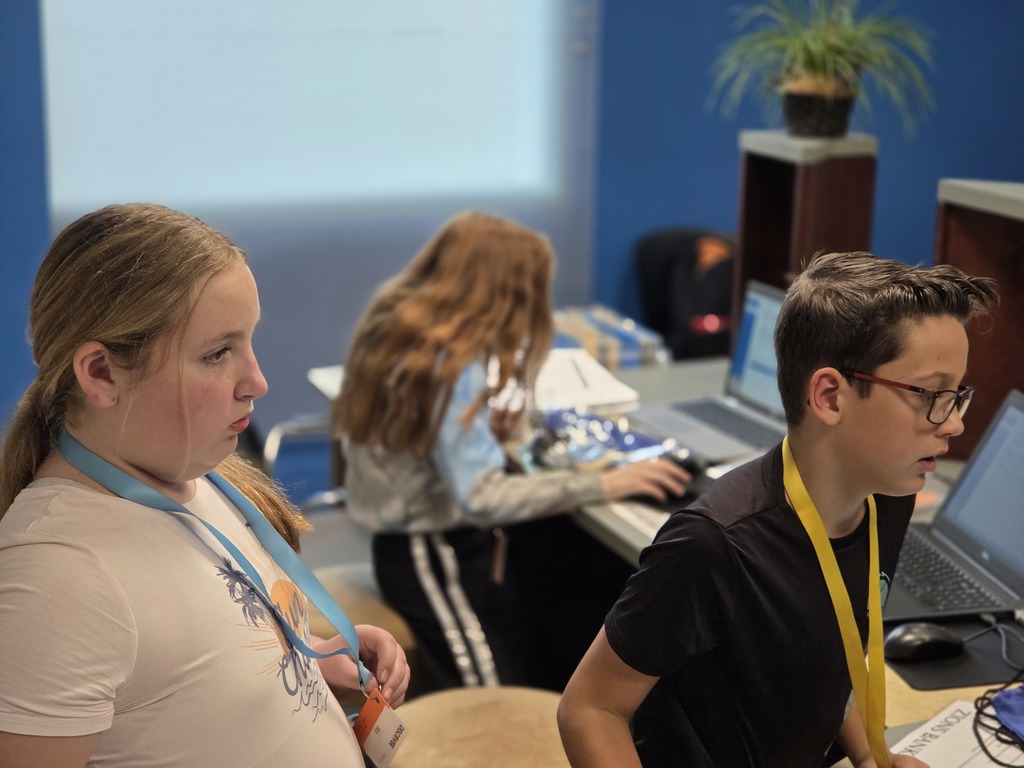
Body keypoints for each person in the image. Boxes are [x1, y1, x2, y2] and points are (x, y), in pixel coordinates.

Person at [0, 203, 410, 768]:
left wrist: (313, 657)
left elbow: (190, 666)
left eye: (247, 342)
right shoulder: (59, 578)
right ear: (100, 373)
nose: (257, 381)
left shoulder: (189, 475)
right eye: (218, 353)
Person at [557, 251, 999, 768]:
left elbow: (828, 653)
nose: (954, 424)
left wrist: (871, 756)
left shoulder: (886, 499)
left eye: (957, 395)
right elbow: (589, 708)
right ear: (831, 396)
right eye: (932, 395)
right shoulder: (713, 545)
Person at [333, 210, 692, 692]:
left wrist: (483, 433)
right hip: (430, 552)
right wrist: (603, 483)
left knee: (524, 643)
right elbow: (480, 496)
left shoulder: (403, 320)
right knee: (491, 689)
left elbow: (426, 440)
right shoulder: (449, 364)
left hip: (414, 540)